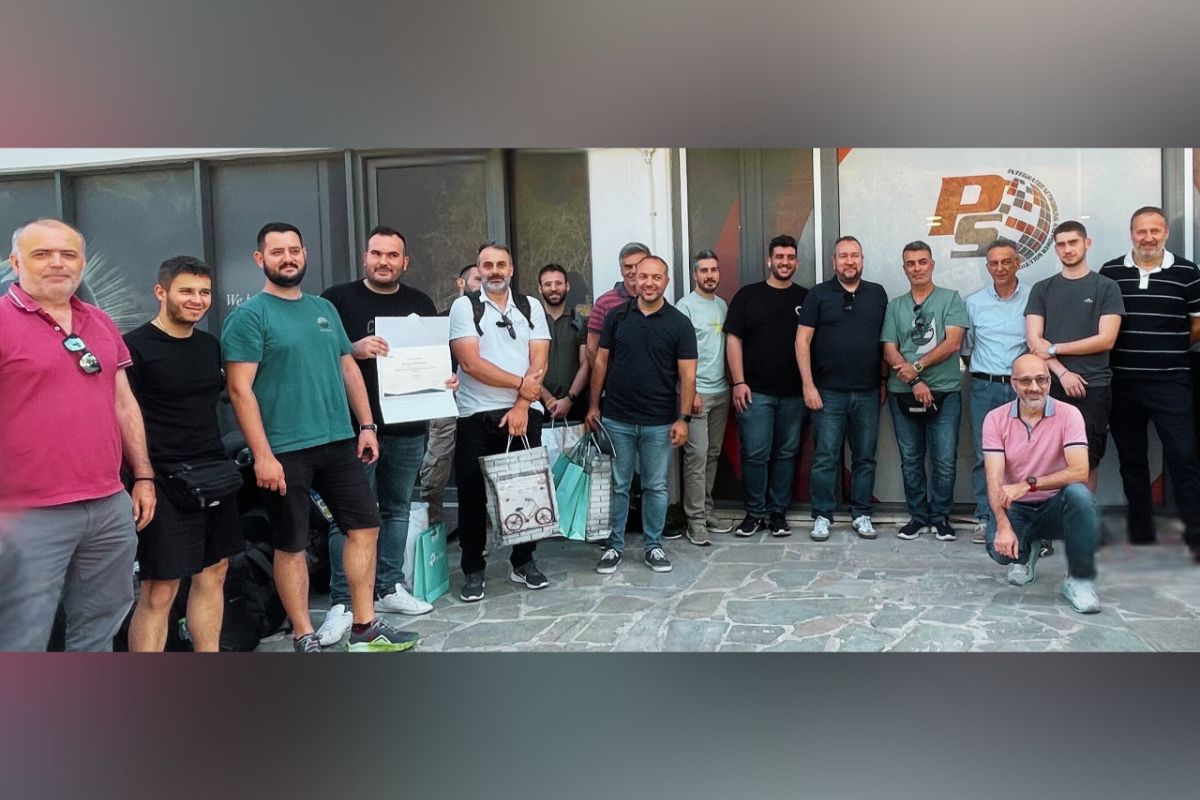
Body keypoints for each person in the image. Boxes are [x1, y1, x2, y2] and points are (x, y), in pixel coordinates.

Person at [221, 221, 417, 653]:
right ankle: (303, 633)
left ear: (305, 254)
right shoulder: (249, 316)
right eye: (277, 252)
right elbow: (239, 390)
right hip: (284, 451)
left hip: (339, 441)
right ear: (260, 259)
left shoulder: (322, 308)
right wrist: (262, 455)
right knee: (291, 543)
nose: (287, 258)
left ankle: (364, 626)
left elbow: (348, 367)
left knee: (365, 527)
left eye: (294, 250)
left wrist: (366, 426)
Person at [0, 218, 156, 651]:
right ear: (16, 262)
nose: (57, 263)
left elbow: (123, 403)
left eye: (68, 254)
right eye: (42, 254)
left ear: (81, 263)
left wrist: (143, 476)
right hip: (26, 513)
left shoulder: (100, 321)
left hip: (107, 506)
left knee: (100, 628)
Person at [317, 225, 452, 646]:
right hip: (353, 429)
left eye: (393, 255)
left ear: (404, 262)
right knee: (348, 517)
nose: (384, 261)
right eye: (377, 253)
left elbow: (433, 356)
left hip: (408, 426)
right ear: (365, 257)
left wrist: (443, 380)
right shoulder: (336, 300)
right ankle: (343, 602)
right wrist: (354, 348)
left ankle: (389, 586)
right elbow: (317, 355)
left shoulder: (420, 302)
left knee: (397, 510)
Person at [124, 256, 241, 652]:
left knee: (215, 572)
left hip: (213, 473)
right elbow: (123, 417)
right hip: (161, 480)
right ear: (161, 292)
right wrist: (140, 479)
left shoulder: (209, 345)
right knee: (160, 590)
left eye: (204, 292)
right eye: (186, 291)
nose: (197, 299)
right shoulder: (134, 347)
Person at [449, 242, 551, 602]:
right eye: (487, 265)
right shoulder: (464, 307)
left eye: (501, 264)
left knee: (525, 492)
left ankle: (523, 562)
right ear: (479, 270)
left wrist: (523, 403)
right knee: (472, 496)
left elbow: (540, 361)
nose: (495, 270)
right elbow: (470, 363)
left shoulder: (530, 306)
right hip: (476, 414)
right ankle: (473, 569)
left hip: (524, 414)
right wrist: (522, 385)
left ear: (511, 269)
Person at [1099, 206, 1200, 560]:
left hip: (1171, 382)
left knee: (1184, 457)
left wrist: (1170, 347)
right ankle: (1141, 532)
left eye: (1155, 231)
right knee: (1131, 459)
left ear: (1165, 233)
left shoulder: (1187, 272)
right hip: (1123, 382)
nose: (1148, 238)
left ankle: (1195, 535)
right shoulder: (1111, 272)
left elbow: (1197, 323)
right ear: (1131, 234)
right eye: (1141, 231)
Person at [588, 255, 697, 573]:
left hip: (660, 421)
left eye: (656, 277)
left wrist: (684, 419)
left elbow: (688, 375)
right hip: (617, 418)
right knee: (618, 485)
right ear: (634, 279)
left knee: (655, 486)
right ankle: (614, 546)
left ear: (666, 281)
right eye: (643, 276)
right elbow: (600, 362)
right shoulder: (616, 317)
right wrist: (594, 405)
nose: (649, 283)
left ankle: (653, 546)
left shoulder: (680, 323)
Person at [982, 354, 1101, 614]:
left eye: (1041, 379)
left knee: (1080, 495)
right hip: (1017, 507)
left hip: (1055, 505)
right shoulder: (995, 418)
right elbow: (993, 479)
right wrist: (1003, 525)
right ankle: (1027, 552)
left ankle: (1078, 579)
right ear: (1013, 383)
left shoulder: (1069, 414)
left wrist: (1029, 484)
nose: (1034, 387)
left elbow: (1080, 471)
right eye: (1025, 381)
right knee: (998, 551)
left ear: (1049, 381)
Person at [796, 235, 888, 542]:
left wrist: (884, 381)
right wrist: (808, 385)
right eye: (843, 256)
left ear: (862, 260)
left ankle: (862, 514)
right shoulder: (818, 295)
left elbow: (886, 341)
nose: (850, 261)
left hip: (868, 391)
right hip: (828, 392)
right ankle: (822, 515)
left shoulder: (877, 294)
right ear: (833, 261)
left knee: (865, 457)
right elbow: (802, 341)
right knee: (825, 457)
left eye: (855, 255)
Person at [1025, 220, 1124, 492]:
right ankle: (1051, 517)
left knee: (1086, 460)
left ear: (1087, 243)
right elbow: (1034, 340)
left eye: (1073, 242)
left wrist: (1055, 348)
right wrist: (1063, 372)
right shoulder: (1042, 289)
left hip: (1093, 386)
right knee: (1046, 457)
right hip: (1048, 385)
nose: (1067, 249)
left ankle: (1081, 518)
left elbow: (1106, 339)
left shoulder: (1106, 287)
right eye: (1061, 244)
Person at [881, 240, 968, 541]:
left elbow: (953, 342)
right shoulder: (895, 306)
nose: (917, 268)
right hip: (903, 392)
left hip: (945, 391)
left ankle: (941, 518)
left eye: (922, 262)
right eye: (911, 263)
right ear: (904, 268)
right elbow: (889, 349)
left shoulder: (950, 299)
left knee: (944, 460)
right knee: (911, 459)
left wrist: (917, 367)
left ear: (932, 264)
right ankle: (918, 517)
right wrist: (914, 381)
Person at [724, 234, 809, 538]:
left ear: (796, 261)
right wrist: (738, 381)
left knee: (786, 454)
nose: (785, 262)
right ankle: (754, 514)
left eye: (790, 257)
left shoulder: (806, 298)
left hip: (794, 394)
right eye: (779, 257)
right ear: (769, 261)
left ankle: (778, 514)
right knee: (755, 455)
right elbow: (733, 339)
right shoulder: (748, 296)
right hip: (755, 392)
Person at [963, 238, 1031, 545]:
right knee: (985, 454)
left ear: (1018, 263)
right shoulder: (974, 303)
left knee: (1024, 454)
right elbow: (967, 348)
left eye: (1006, 261)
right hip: (985, 387)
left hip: (1023, 390)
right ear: (987, 266)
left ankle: (1023, 517)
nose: (1000, 268)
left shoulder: (1033, 299)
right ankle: (985, 517)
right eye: (994, 263)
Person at [419, 263, 482, 535]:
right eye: (477, 279)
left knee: (477, 469)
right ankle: (432, 530)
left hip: (480, 404)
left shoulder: (492, 319)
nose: (482, 284)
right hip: (445, 404)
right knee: (437, 467)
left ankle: (477, 532)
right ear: (461, 283)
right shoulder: (441, 321)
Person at [675, 250, 732, 545]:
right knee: (696, 457)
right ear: (695, 274)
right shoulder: (685, 307)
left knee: (712, 455)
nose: (710, 275)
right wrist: (691, 391)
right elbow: (677, 354)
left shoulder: (722, 305)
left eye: (714, 270)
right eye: (704, 270)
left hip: (721, 391)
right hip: (696, 394)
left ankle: (706, 511)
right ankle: (695, 521)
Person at [537, 263, 589, 422]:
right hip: (536, 405)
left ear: (567, 286)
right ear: (540, 289)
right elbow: (523, 364)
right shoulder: (530, 322)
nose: (553, 288)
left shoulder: (580, 322)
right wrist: (547, 398)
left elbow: (586, 365)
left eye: (558, 283)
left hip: (575, 406)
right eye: (548, 284)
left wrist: (569, 399)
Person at [584, 242, 650, 367]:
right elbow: (592, 349)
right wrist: (607, 376)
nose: (633, 271)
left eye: (638, 266)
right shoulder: (604, 303)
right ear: (621, 270)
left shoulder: (656, 301)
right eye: (628, 267)